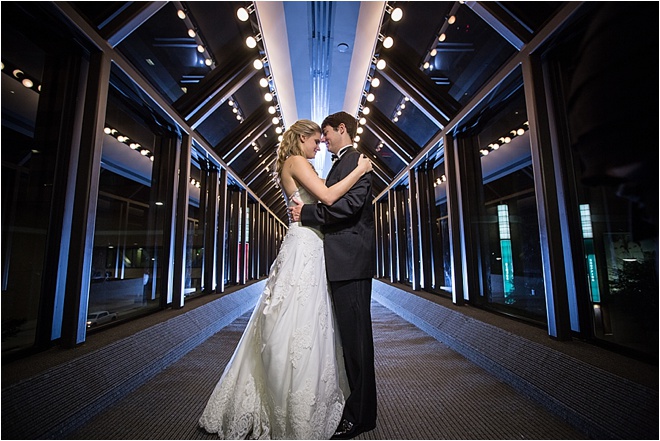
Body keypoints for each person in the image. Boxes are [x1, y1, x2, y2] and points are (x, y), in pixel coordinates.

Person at [198, 119, 373, 440]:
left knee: (303, 317)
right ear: (302, 138)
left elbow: (324, 201)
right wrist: (360, 171)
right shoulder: (296, 162)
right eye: (316, 141)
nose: (319, 146)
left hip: (309, 245)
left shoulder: (295, 163)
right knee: (297, 315)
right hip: (304, 245)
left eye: (324, 140)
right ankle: (289, 397)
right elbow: (329, 196)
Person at [289, 111, 377, 439]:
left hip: (351, 264)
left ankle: (361, 416)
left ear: (343, 129)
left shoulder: (358, 161)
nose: (323, 139)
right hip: (342, 264)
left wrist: (307, 213)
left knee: (357, 345)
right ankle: (354, 406)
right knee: (348, 343)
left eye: (326, 133)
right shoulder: (346, 163)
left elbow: (348, 206)